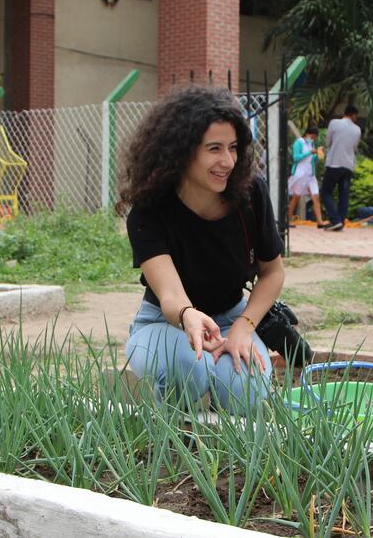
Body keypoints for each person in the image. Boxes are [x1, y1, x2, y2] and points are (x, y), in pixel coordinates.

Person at [119, 85, 285, 414]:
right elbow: (169, 296)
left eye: (233, 148)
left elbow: (273, 273)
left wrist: (243, 328)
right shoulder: (149, 210)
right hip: (166, 324)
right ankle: (169, 435)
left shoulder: (251, 195)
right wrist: (188, 317)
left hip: (233, 318)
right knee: (190, 367)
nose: (228, 161)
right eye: (214, 149)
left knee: (243, 394)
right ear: (181, 151)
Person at [320, 105, 361, 231]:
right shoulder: (357, 129)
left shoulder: (334, 123)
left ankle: (335, 220)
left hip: (334, 163)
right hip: (348, 165)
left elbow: (328, 142)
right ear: (353, 115)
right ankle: (341, 222)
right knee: (344, 195)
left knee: (326, 192)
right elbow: (355, 147)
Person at [287, 126, 328, 227]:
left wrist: (318, 154)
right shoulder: (299, 142)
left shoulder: (311, 143)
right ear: (307, 134)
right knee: (296, 197)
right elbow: (296, 158)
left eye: (314, 138)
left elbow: (312, 160)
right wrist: (310, 152)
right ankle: (287, 220)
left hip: (310, 174)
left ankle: (319, 221)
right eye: (312, 136)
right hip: (300, 174)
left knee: (316, 197)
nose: (313, 139)